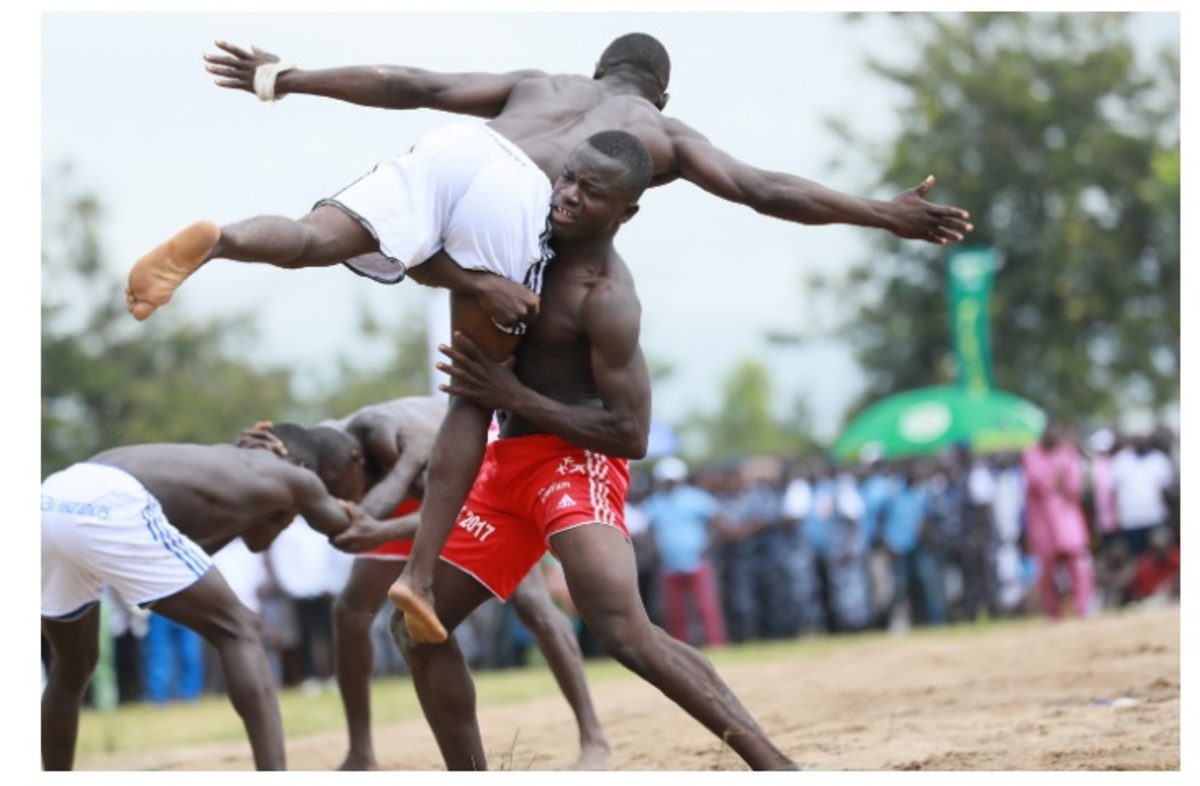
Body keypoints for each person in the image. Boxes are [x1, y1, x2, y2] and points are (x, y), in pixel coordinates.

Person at [131, 32, 975, 640]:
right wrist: (882, 212)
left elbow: (411, 82)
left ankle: (225, 238)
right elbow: (762, 189)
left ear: (600, 66)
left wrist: (288, 77)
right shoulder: (657, 135)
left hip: (459, 146)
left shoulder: (537, 81)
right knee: (473, 390)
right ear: (659, 94)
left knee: (313, 240)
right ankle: (422, 577)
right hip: (516, 194)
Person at [382, 131, 794, 769]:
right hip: (505, 469)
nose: (567, 197)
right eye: (567, 179)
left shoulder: (607, 297)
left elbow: (632, 436)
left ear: (626, 213)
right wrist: (478, 284)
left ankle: (777, 768)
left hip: (574, 462)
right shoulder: (523, 230)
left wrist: (510, 394)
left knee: (622, 630)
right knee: (416, 629)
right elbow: (415, 252)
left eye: (590, 193)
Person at [244, 396, 610, 770]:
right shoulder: (320, 449)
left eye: (341, 491)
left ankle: (593, 736)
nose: (341, 501)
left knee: (532, 603)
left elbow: (454, 509)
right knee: (350, 610)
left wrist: (381, 525)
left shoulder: (402, 440)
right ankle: (360, 752)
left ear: (357, 460)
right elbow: (262, 535)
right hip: (397, 497)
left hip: (471, 480)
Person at [40, 424, 389, 770]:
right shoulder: (297, 478)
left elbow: (254, 541)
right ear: (306, 468)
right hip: (115, 502)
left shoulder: (221, 463)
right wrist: (415, 511)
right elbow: (352, 533)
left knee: (71, 666)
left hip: (54, 496)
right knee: (241, 629)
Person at [642, 456, 727, 648]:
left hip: (696, 561)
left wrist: (709, 545)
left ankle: (715, 644)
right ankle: (683, 648)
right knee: (675, 611)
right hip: (669, 564)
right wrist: (655, 549)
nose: (669, 483)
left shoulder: (695, 498)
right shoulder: (655, 503)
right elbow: (648, 530)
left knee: (705, 607)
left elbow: (718, 521)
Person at [1021, 423, 1093, 620]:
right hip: (1043, 525)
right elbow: (1037, 482)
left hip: (1069, 522)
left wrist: (1061, 481)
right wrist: (1056, 478)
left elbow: (1075, 487)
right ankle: (1053, 613)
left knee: (1079, 565)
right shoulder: (1032, 455)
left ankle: (1082, 608)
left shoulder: (1067, 454)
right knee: (1046, 572)